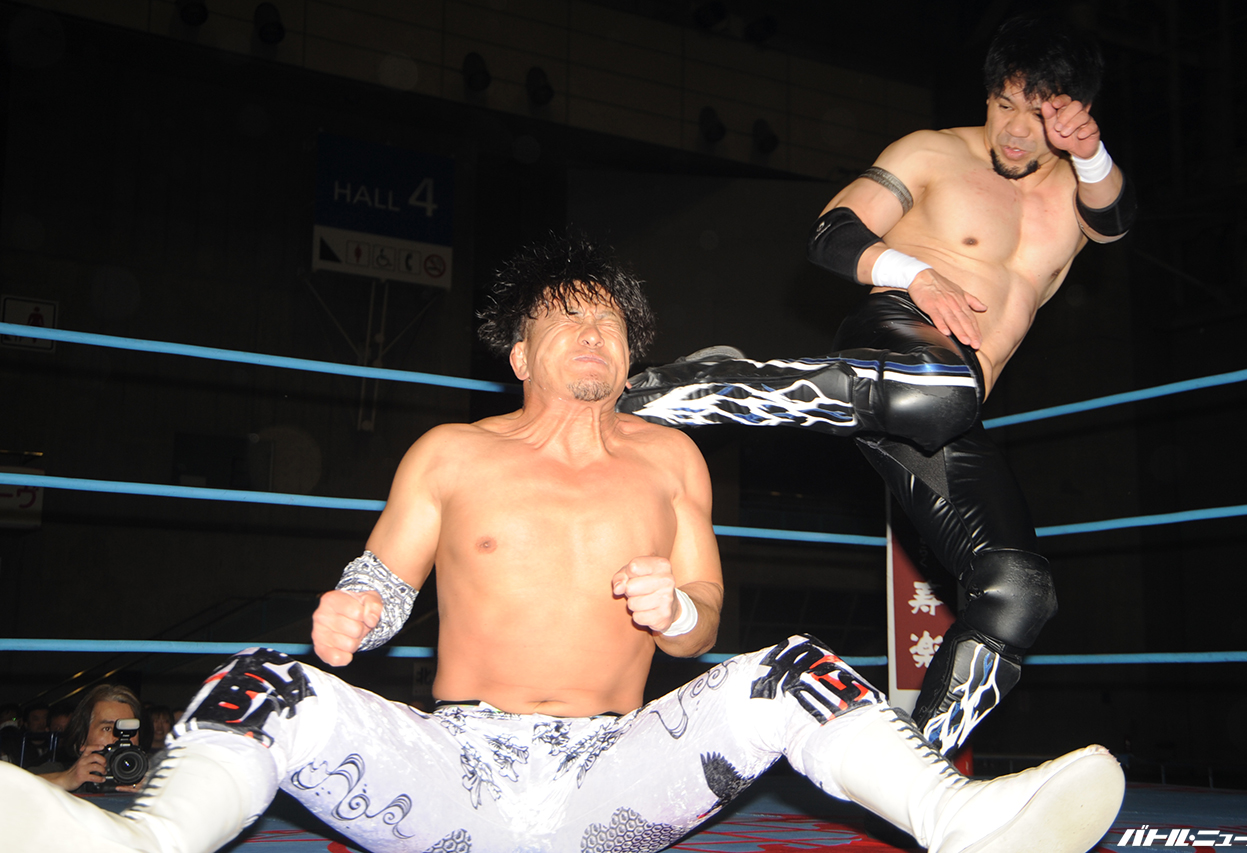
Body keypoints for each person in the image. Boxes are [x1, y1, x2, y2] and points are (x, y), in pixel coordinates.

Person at [2, 234, 1124, 853]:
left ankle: (960, 820)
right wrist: (359, 610)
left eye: (612, 323)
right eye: (570, 318)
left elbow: (701, 626)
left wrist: (674, 609)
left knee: (788, 667)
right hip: (447, 774)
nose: (597, 335)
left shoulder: (671, 459)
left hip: (614, 777)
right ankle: (140, 845)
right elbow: (381, 578)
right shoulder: (450, 452)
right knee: (262, 681)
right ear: (521, 353)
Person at [618, 14, 1135, 759]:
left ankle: (915, 774)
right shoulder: (933, 153)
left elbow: (1115, 222)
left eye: (1040, 114)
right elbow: (832, 232)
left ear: (1076, 114)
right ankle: (708, 383)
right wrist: (916, 275)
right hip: (895, 338)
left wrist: (1090, 153)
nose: (1016, 131)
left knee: (1019, 590)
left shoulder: (1081, 188)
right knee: (943, 391)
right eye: (1004, 105)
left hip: (945, 411)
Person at [26, 684, 145, 793]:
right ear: (82, 737)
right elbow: (16, 787)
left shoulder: (152, 775)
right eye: (107, 729)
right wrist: (65, 780)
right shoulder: (56, 772)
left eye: (129, 730)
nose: (118, 739)